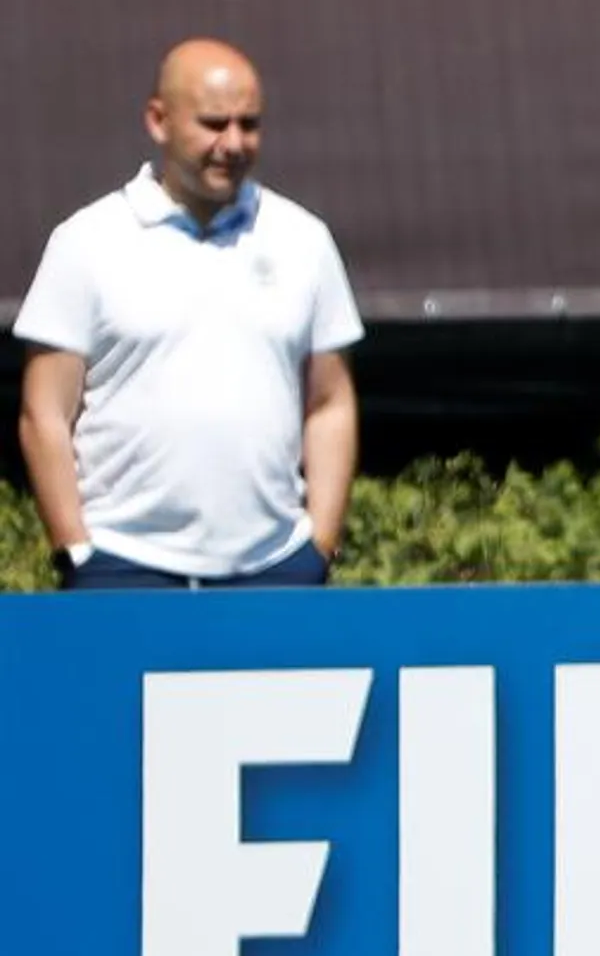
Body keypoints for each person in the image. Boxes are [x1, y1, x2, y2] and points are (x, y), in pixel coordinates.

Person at [14, 38, 364, 590]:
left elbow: (330, 402)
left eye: (249, 124)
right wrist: (77, 552)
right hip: (122, 567)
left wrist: (319, 545)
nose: (234, 142)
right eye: (213, 123)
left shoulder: (304, 240)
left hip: (275, 568)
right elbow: (44, 415)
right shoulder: (86, 242)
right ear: (159, 121)